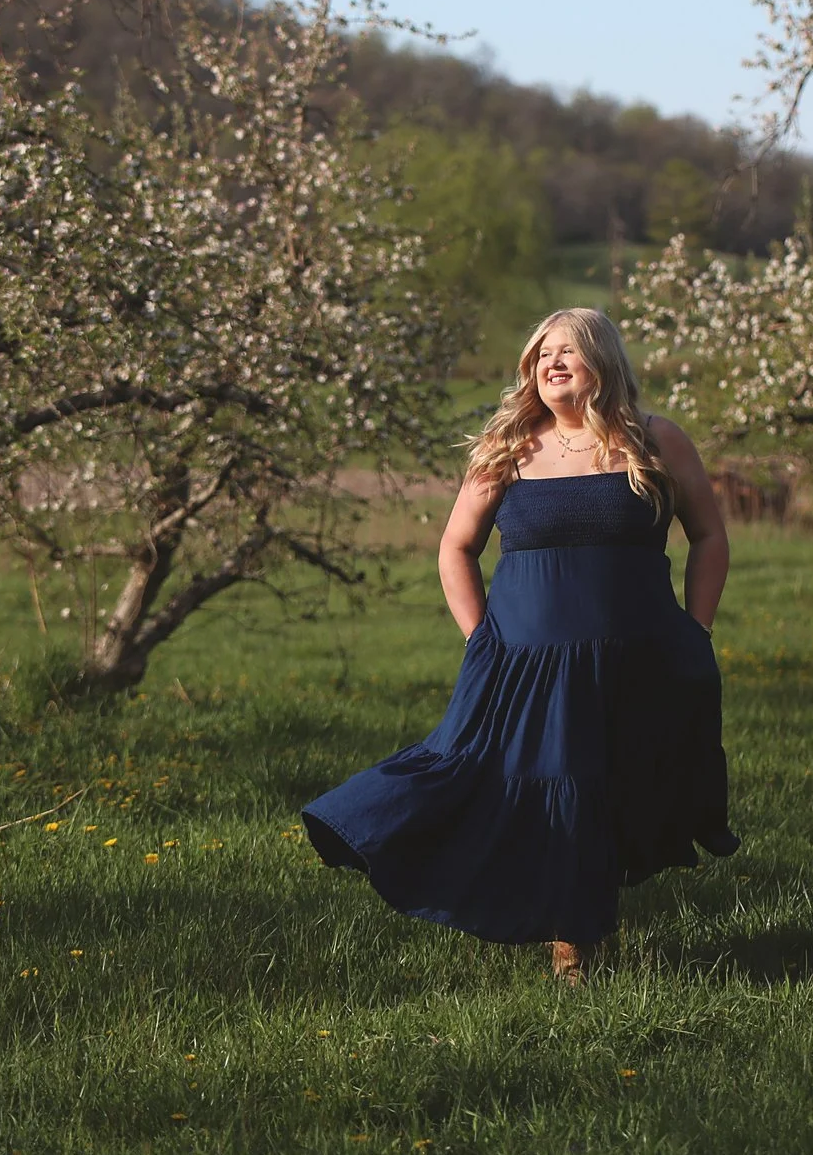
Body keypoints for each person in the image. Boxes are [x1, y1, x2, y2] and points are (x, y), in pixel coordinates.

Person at [301, 307, 739, 982]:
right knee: (531, 786)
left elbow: (709, 537)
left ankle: (582, 930)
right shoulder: (508, 449)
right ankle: (569, 954)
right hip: (527, 665)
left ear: (604, 361)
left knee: (614, 790)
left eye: (568, 351)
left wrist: (695, 628)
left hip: (639, 656)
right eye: (541, 355)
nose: (552, 364)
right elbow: (455, 548)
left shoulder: (656, 442)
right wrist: (484, 640)